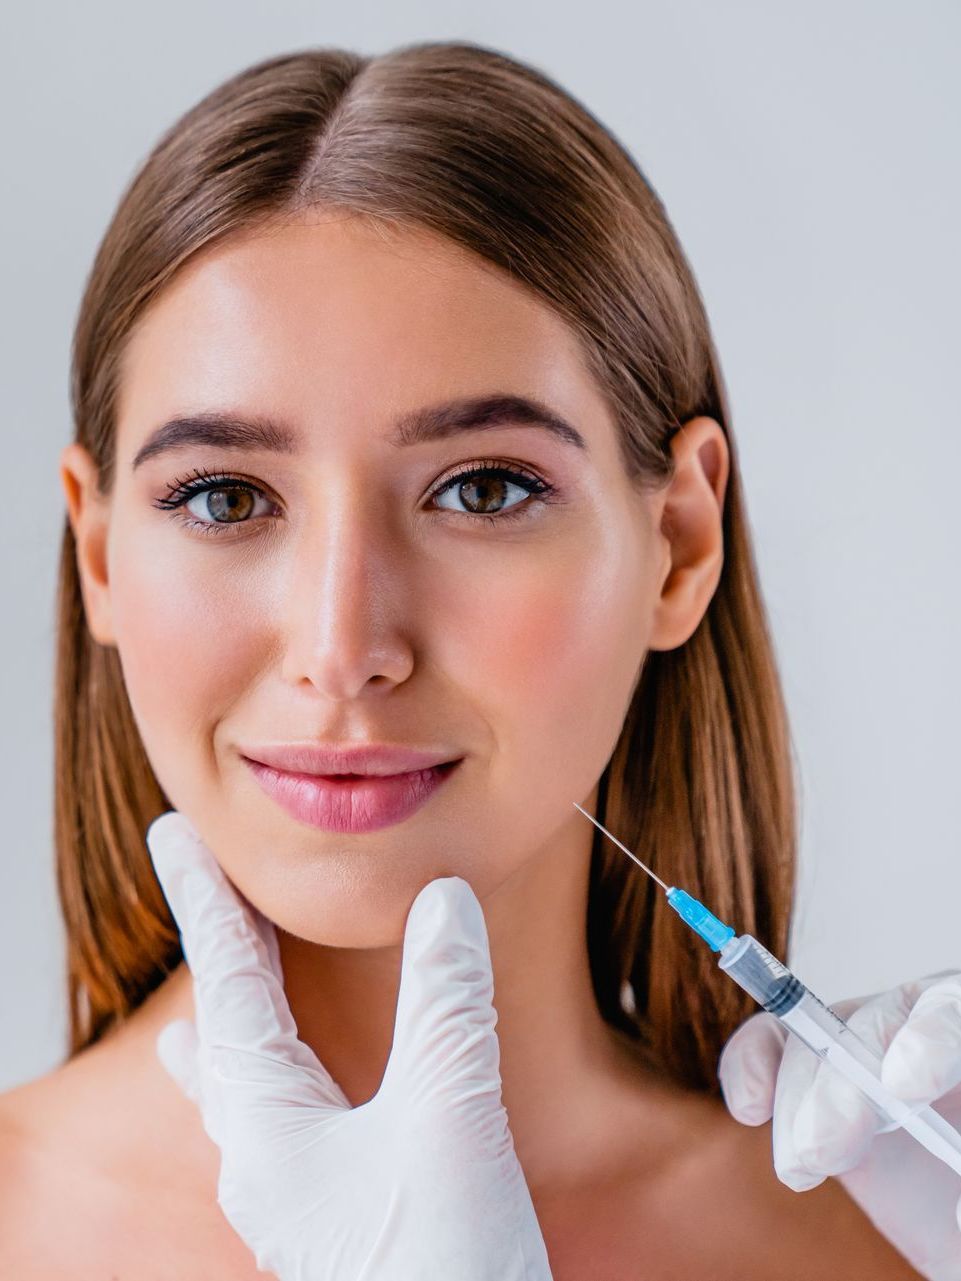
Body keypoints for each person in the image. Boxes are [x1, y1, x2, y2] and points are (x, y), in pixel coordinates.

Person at [0, 38, 942, 1279]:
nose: (343, 651)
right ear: (102, 555)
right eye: (225, 498)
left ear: (677, 543)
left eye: (481, 489)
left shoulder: (888, 1231)